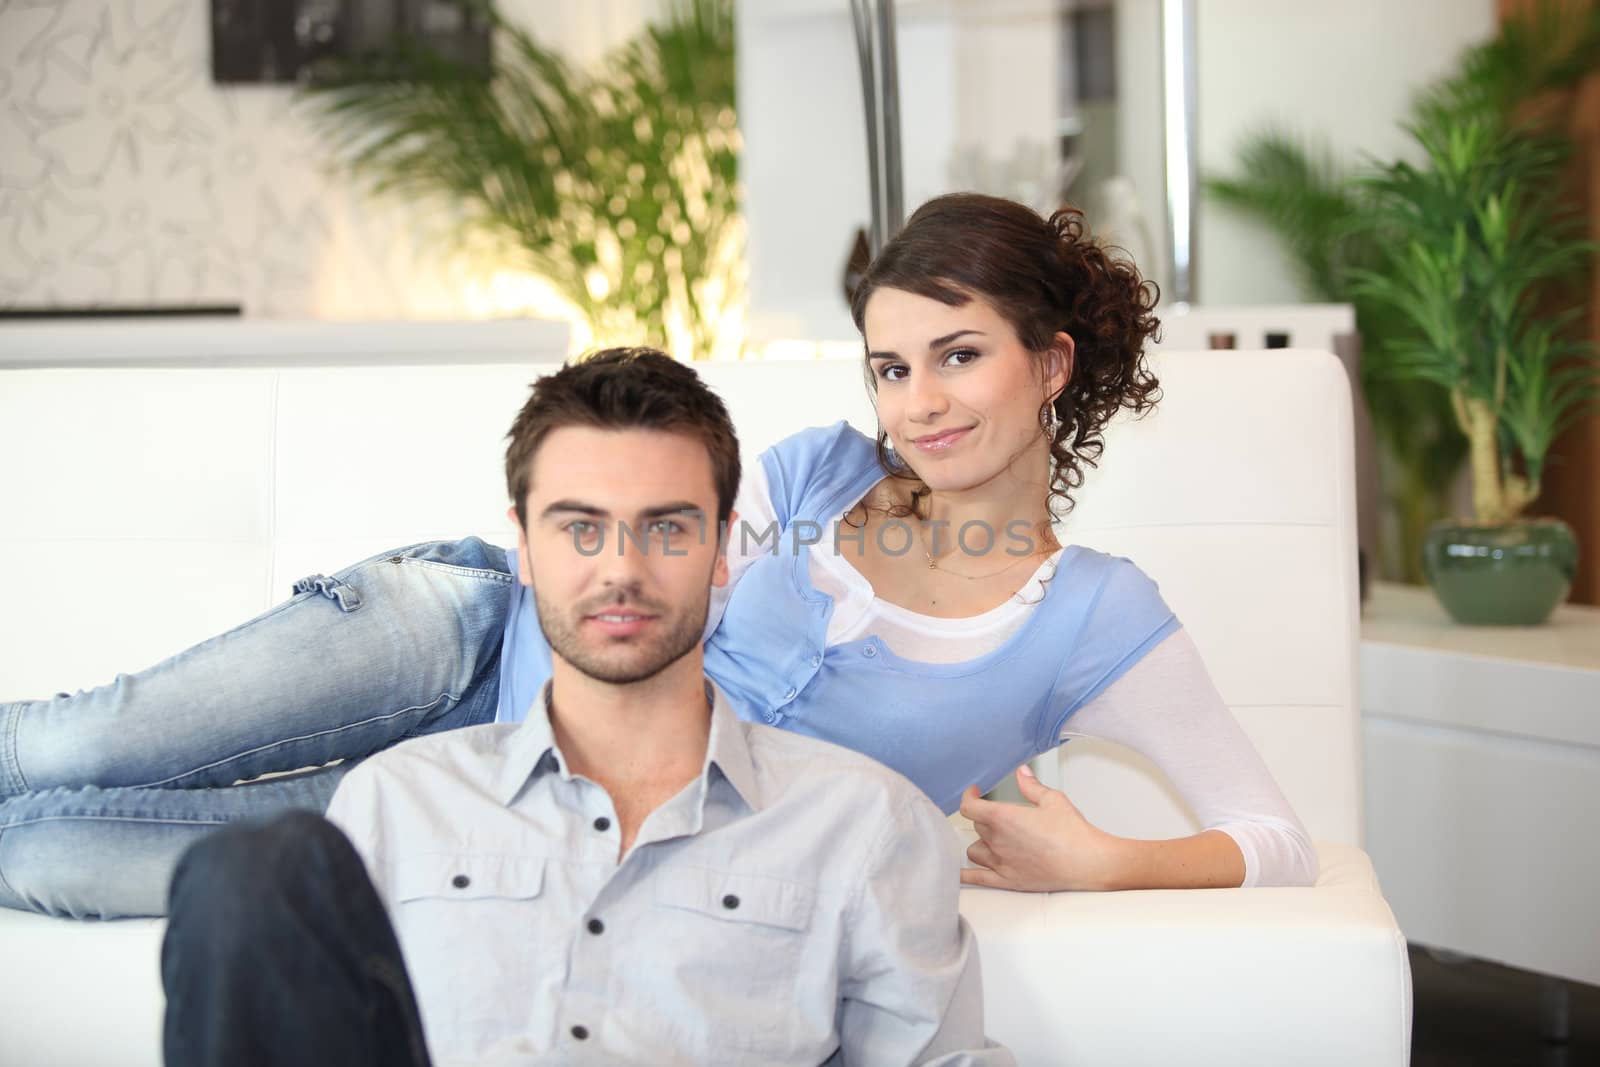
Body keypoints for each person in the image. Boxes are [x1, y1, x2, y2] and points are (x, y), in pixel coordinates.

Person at [0, 194, 1316, 920]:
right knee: (67, 746)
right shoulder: (814, 469)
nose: (921, 402)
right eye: (893, 366)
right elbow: (649, 584)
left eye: (959, 355)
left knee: (58, 855)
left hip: (508, 815)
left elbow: (1273, 837)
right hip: (473, 628)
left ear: (1053, 360)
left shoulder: (1092, 615)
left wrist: (1108, 861)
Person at [158, 350, 1010, 1066]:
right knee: (246, 873)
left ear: (721, 549)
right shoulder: (396, 800)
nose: (622, 568)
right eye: (579, 527)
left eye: (667, 527)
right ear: (523, 547)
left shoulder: (863, 823)